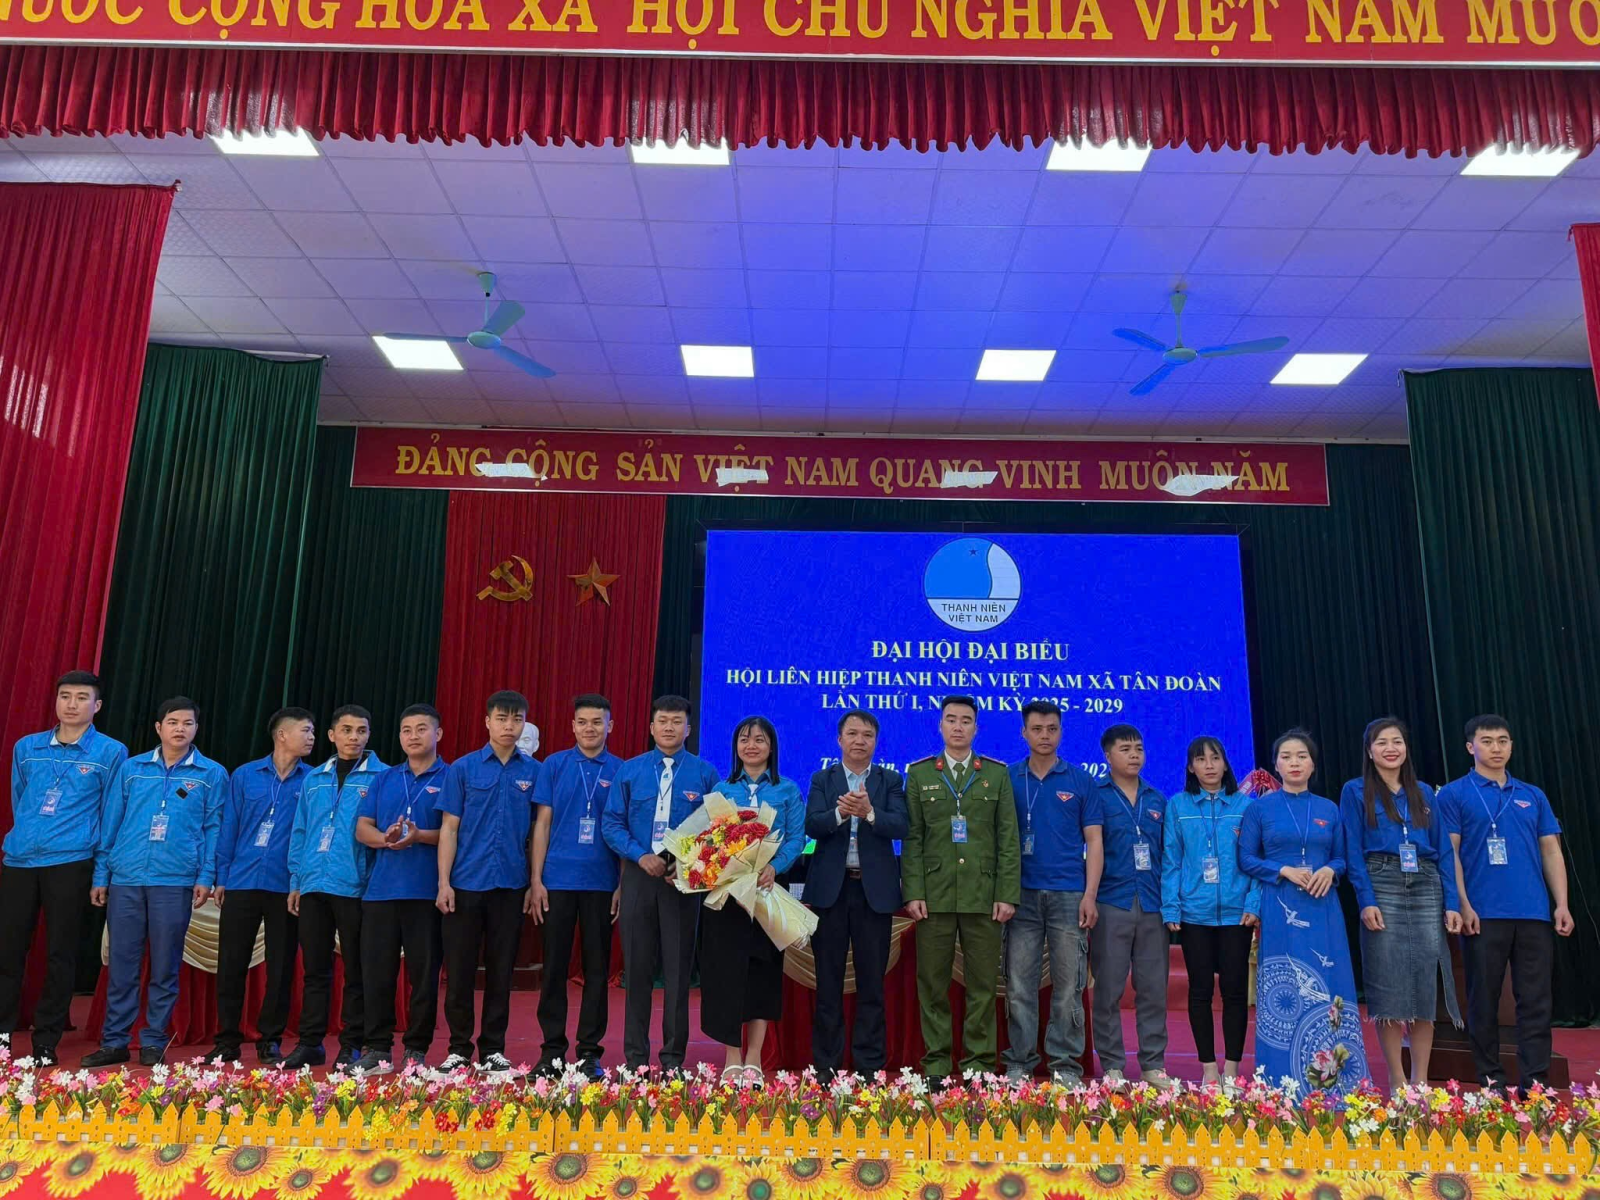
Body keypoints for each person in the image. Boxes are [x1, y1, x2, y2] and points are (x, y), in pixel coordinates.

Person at [83, 697, 225, 1067]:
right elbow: (111, 823)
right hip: (126, 879)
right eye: (173, 722)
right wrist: (102, 874)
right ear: (158, 727)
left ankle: (153, 1041)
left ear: (197, 729)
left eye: (188, 723)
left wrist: (206, 876)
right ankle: (115, 1041)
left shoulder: (211, 774)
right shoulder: (132, 769)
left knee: (164, 967)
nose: (180, 729)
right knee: (123, 966)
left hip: (175, 881)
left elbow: (214, 829)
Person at [1438, 714, 1572, 1090]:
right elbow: (1450, 853)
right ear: (1471, 747)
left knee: (1536, 1000)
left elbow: (1551, 851)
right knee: (1484, 999)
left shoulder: (1532, 794)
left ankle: (1536, 1084)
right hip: (1483, 913)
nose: (1496, 748)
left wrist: (1561, 904)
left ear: (1511, 746)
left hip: (1533, 912)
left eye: (1502, 741)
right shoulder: (1454, 794)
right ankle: (1491, 1081)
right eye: (1487, 741)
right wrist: (1462, 903)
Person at [0, 671, 128, 1066]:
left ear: (97, 706)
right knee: (7, 951)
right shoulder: (28, 747)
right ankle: (2, 1038)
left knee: (61, 953)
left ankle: (46, 1041)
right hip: (20, 860)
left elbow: (111, 814)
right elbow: (19, 798)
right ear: (56, 701)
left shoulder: (110, 752)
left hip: (71, 862)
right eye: (65, 696)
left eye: (82, 697)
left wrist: (101, 871)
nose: (72, 704)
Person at [1339, 717, 1462, 1091]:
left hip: (1426, 883)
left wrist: (1452, 902)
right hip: (1381, 881)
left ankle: (1420, 1080)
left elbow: (1444, 850)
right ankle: (1396, 1078)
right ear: (1369, 751)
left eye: (1397, 741)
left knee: (1425, 986)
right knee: (1388, 984)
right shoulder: (1355, 791)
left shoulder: (1423, 791)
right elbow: (1353, 851)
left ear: (1406, 748)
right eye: (1381, 742)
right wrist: (1365, 900)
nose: (1390, 748)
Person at [1240, 729, 1366, 1093]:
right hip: (1281, 905)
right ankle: (1282, 1080)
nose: (1294, 763)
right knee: (1286, 987)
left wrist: (1330, 870)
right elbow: (1246, 857)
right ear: (1276, 765)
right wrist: (1282, 870)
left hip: (1323, 905)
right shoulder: (1259, 809)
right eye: (1286, 757)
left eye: (1302, 756)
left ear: (1312, 764)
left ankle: (1336, 1080)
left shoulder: (1329, 808)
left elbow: (1342, 857)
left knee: (1330, 984)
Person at [902, 695, 1019, 1083]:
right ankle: (936, 1064)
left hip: (983, 895)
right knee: (932, 985)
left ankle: (979, 1066)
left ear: (976, 728)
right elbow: (913, 838)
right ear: (940, 726)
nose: (957, 726)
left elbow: (1008, 839)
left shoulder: (996, 775)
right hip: (933, 895)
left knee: (982, 986)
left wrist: (1006, 893)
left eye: (965, 720)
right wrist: (913, 891)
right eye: (950, 719)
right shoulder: (919, 773)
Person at [603, 694, 720, 1073]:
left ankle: (673, 1060)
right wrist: (640, 856)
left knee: (678, 973)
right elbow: (611, 823)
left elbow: (716, 830)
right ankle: (635, 1060)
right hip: (639, 878)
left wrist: (687, 863)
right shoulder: (630, 771)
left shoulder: (705, 774)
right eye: (663, 721)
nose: (669, 727)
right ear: (651, 727)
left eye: (677, 722)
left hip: (681, 885)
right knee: (636, 972)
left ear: (688, 728)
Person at [436, 690, 540, 1078]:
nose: (509, 726)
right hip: (465, 883)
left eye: (516, 719)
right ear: (487, 722)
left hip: (510, 885)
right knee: (460, 970)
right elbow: (449, 828)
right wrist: (443, 882)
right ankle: (458, 1049)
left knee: (501, 971)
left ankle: (493, 1048)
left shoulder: (535, 772)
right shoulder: (462, 768)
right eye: (501, 718)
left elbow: (538, 830)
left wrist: (534, 882)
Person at [700, 716, 806, 1084]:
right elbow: (709, 840)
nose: (752, 746)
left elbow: (796, 838)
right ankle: (732, 1057)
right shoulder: (721, 789)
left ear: (771, 747)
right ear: (736, 747)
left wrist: (775, 866)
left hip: (767, 891)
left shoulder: (788, 790)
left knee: (763, 974)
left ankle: (754, 1059)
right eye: (745, 739)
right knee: (727, 974)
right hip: (727, 896)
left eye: (759, 740)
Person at [1002, 701, 1103, 1084]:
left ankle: (1064, 1065)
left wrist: (1089, 894)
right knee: (1019, 987)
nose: (1045, 735)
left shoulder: (1079, 780)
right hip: (1020, 896)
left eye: (1052, 729)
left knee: (1069, 986)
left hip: (1069, 895)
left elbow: (1094, 842)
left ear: (1060, 732)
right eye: (1037, 729)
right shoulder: (1008, 778)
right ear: (1023, 733)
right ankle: (1019, 1063)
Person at [804, 709, 908, 1080]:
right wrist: (840, 813)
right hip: (831, 893)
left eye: (867, 735)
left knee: (871, 984)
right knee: (828, 983)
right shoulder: (823, 778)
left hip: (873, 893)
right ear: (839, 739)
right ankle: (826, 1067)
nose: (859, 740)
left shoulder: (890, 780)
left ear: (875, 741)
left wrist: (869, 813)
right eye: (852, 733)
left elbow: (901, 825)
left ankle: (869, 1067)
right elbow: (812, 824)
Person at [209, 707, 315, 1065]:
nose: (312, 737)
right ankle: (226, 1040)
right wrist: (222, 877)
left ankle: (270, 1039)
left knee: (280, 967)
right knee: (231, 964)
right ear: (282, 735)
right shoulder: (245, 775)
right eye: (305, 731)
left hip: (285, 885)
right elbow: (229, 828)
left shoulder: (314, 780)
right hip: (241, 880)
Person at [281, 705, 384, 1070]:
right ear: (332, 735)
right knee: (315, 970)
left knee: (356, 970)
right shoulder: (314, 778)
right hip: (313, 885)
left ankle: (351, 1044)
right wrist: (296, 880)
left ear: (369, 735)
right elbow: (300, 831)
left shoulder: (382, 777)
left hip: (356, 887)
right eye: (346, 730)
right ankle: (310, 1043)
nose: (353, 737)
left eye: (361, 730)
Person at [528, 694, 622, 1079]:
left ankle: (589, 1054)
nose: (589, 729)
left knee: (597, 970)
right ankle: (551, 1052)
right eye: (582, 722)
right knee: (553, 968)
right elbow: (542, 824)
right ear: (572, 726)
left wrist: (622, 884)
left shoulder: (621, 770)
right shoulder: (554, 765)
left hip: (602, 883)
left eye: (597, 722)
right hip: (557, 881)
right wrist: (536, 880)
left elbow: (624, 830)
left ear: (610, 726)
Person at [354, 704, 447, 1073]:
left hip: (426, 893)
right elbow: (362, 828)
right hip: (381, 892)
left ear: (438, 734)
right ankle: (377, 1047)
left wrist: (419, 836)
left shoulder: (452, 777)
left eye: (421, 729)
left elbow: (456, 833)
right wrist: (385, 838)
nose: (413, 736)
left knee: (423, 977)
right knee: (377, 974)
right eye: (406, 730)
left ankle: (416, 1049)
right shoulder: (385, 778)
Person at [1161, 736, 1259, 1085]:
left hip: (1236, 914)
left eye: (1215, 758)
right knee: (1200, 991)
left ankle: (1231, 1070)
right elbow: (1171, 860)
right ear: (1191, 767)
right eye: (1201, 760)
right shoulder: (1178, 805)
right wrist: (1171, 905)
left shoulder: (1246, 806)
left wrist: (1253, 903)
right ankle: (1209, 1070)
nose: (1209, 765)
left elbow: (1255, 861)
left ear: (1225, 763)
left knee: (1235, 992)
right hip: (1194, 914)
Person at [1090, 724, 1170, 1085]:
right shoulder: (1096, 796)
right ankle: (1112, 1065)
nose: (1134, 754)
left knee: (1153, 990)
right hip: (1111, 902)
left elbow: (1168, 854)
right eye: (1125, 749)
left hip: (1152, 904)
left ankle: (1153, 1064)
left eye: (1139, 748)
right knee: (1108, 990)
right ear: (1108, 756)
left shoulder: (1157, 799)